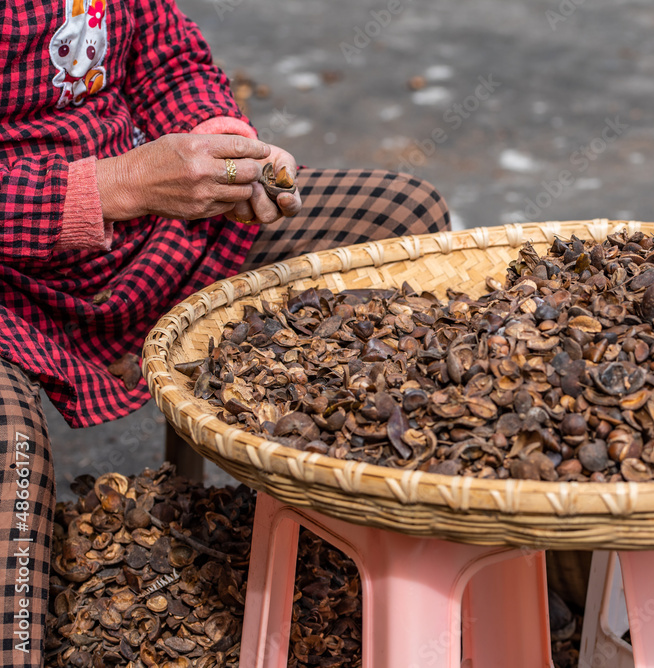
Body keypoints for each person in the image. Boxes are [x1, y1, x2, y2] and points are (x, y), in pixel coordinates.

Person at [0, 0, 450, 663]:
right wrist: (117, 184)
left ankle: (359, 575)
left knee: (402, 222)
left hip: (142, 237)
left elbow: (164, 50)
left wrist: (219, 142)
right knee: (8, 455)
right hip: (14, 281)